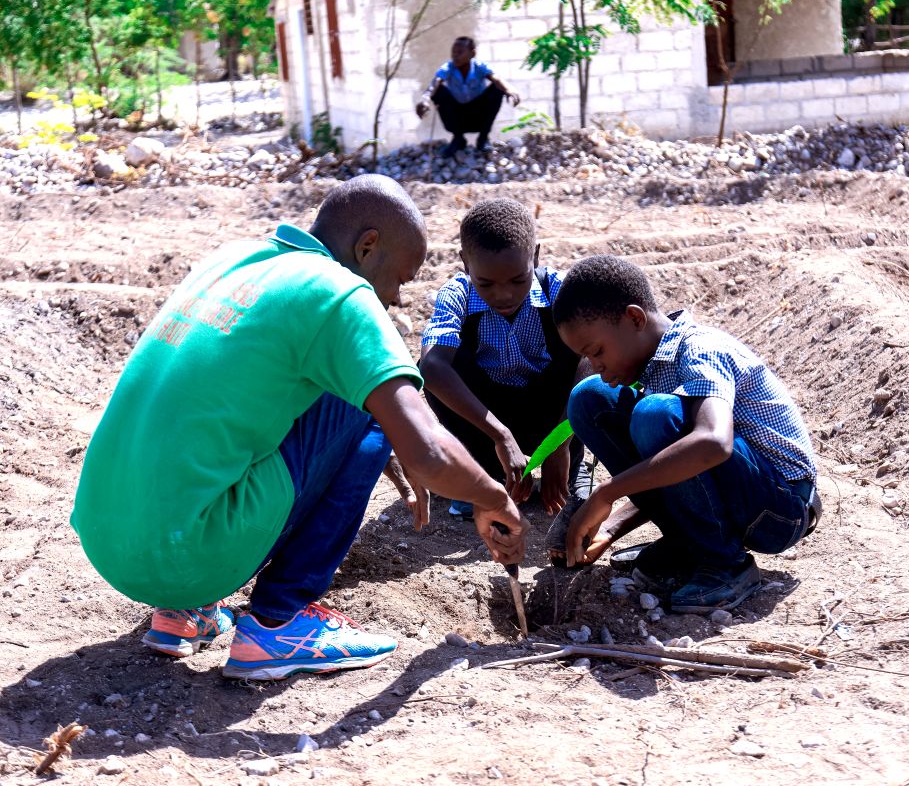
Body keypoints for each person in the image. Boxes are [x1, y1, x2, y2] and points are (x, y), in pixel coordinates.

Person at [70, 175, 527, 681]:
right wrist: (492, 497)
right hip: (190, 552)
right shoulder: (340, 293)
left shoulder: (236, 259)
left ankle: (184, 611)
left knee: (282, 403)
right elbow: (429, 451)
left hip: (110, 538)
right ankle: (278, 622)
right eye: (400, 279)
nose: (396, 299)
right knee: (374, 393)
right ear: (367, 246)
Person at [550, 255, 821, 613]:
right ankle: (688, 544)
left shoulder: (699, 350)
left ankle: (726, 564)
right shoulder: (652, 364)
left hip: (780, 510)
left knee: (654, 415)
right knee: (589, 398)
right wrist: (610, 528)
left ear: (634, 318)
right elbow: (669, 467)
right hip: (741, 494)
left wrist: (606, 492)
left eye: (597, 352)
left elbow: (712, 444)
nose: (598, 367)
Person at [419, 198, 590, 530]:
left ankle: (573, 464)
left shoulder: (558, 289)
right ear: (466, 265)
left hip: (553, 419)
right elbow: (432, 367)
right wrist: (501, 436)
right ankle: (482, 474)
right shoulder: (456, 296)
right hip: (488, 424)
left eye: (517, 280)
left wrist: (559, 442)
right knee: (437, 367)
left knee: (586, 358)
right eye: (486, 284)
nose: (504, 295)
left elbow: (596, 361)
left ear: (535, 257)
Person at [415, 36, 521, 156]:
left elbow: (496, 79)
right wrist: (425, 99)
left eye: (460, 52)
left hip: (479, 113)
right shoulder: (448, 68)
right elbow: (435, 82)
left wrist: (508, 89)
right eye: (453, 52)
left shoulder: (480, 67)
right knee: (438, 92)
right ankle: (458, 139)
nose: (455, 55)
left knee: (497, 89)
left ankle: (483, 138)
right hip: (457, 114)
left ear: (472, 53)